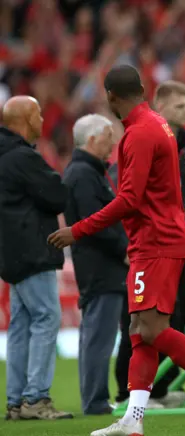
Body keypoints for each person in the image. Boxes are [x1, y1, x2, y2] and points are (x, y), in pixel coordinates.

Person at [48, 65, 185, 436]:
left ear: (110, 96)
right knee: (140, 329)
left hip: (157, 241)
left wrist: (77, 230)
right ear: (142, 89)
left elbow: (130, 198)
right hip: (156, 239)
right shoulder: (156, 124)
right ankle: (133, 419)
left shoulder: (139, 133)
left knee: (154, 329)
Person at [111, 80, 185, 409]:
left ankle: (160, 388)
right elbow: (128, 193)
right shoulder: (148, 138)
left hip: (178, 244)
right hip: (153, 246)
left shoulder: (181, 147)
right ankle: (129, 392)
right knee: (142, 321)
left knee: (177, 315)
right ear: (161, 106)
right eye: (181, 105)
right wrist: (131, 243)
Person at [0, 96, 72, 421]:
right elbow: (56, 194)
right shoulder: (22, 158)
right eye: (39, 114)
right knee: (46, 318)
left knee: (21, 324)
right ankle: (36, 399)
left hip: (11, 253)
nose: (43, 120)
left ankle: (15, 401)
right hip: (33, 250)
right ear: (27, 120)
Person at [64, 114, 128, 416]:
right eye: (106, 137)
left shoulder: (86, 172)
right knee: (99, 336)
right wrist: (124, 249)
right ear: (91, 140)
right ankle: (96, 401)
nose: (112, 142)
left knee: (97, 335)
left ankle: (95, 397)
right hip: (101, 267)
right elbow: (96, 224)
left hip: (99, 265)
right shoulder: (83, 175)